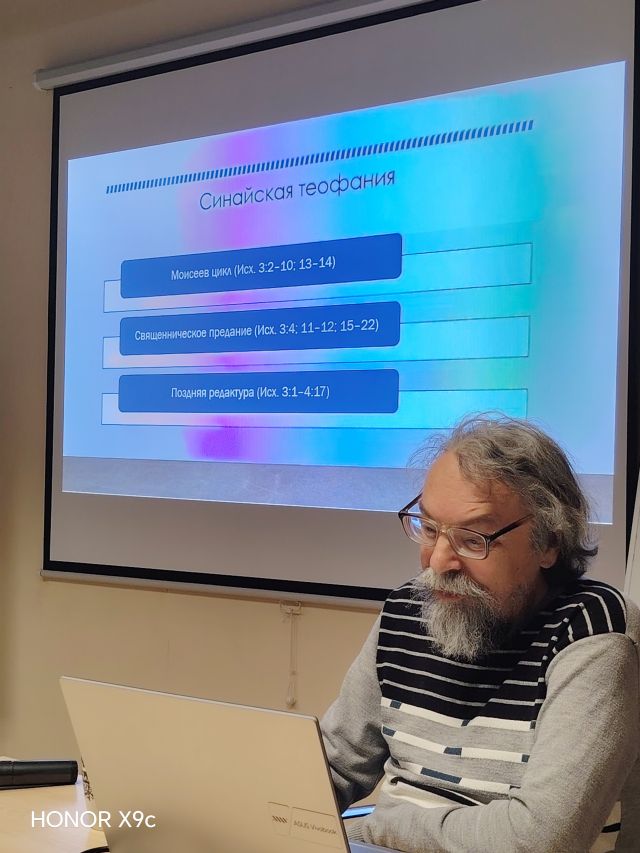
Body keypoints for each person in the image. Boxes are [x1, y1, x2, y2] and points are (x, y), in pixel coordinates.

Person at [321, 416, 640, 852]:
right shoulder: (408, 609)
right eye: (429, 529)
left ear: (549, 542)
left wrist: (383, 826)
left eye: (473, 540)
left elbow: (540, 839)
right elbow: (336, 766)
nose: (438, 562)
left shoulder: (592, 633)